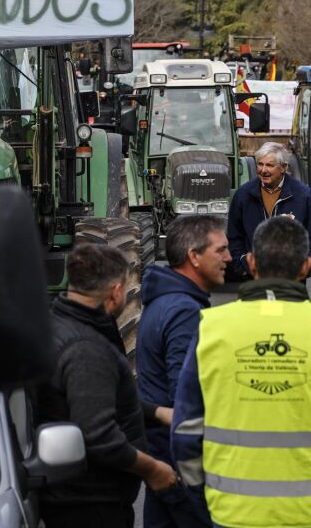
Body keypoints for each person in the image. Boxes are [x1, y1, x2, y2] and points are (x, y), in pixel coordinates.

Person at [172, 217, 311, 527]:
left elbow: (186, 433)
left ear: (250, 262)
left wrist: (201, 499)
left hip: (231, 513)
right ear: (305, 266)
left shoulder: (211, 327)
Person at [36, 244, 178, 528]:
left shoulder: (59, 323)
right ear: (115, 291)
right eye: (127, 287)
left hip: (74, 496)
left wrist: (155, 413)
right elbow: (98, 436)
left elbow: (93, 398)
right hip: (91, 502)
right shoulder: (86, 349)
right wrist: (153, 469)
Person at [137, 216, 228, 527]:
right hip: (177, 461)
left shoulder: (166, 302)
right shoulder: (184, 311)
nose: (229, 258)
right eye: (221, 250)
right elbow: (184, 398)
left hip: (163, 452)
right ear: (194, 256)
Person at [228, 142, 311, 279]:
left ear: (283, 167)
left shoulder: (304, 196)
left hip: (292, 279)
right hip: (253, 278)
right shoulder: (243, 195)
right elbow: (234, 236)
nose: (263, 170)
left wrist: (302, 268)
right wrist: (242, 265)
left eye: (270, 165)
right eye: (260, 164)